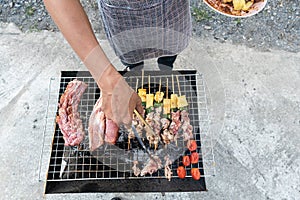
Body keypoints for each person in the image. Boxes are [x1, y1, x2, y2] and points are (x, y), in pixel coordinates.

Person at [43, 0, 191, 126]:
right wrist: (107, 79)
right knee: (132, 57)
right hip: (122, 16)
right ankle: (136, 69)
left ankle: (165, 67)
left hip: (173, 12)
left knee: (170, 51)